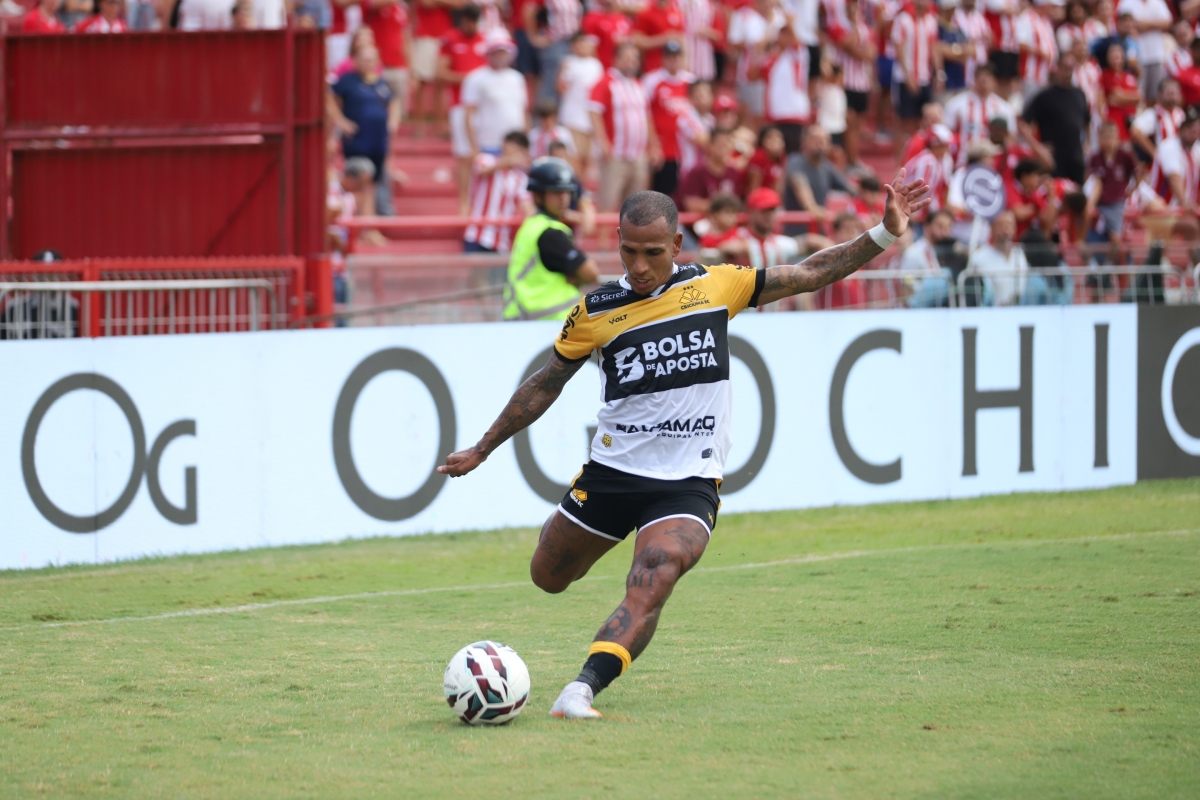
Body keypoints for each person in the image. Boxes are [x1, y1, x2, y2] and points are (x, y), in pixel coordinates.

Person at [436, 175, 931, 720]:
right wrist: (483, 448)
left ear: (676, 245)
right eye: (628, 251)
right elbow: (544, 385)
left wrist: (885, 233)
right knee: (548, 576)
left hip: (688, 482)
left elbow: (812, 272)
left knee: (655, 572)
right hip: (612, 473)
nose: (639, 266)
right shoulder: (595, 311)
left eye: (653, 253)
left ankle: (581, 689)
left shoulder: (718, 285)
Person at [499, 157, 601, 320]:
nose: (564, 198)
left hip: (524, 320)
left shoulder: (531, 225)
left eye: (567, 192)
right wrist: (576, 277)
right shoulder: (550, 233)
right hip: (547, 324)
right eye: (556, 192)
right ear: (538, 196)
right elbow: (591, 273)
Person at [329, 46, 401, 216]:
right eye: (365, 59)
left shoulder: (381, 83)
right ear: (356, 61)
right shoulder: (347, 81)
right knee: (364, 175)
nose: (368, 63)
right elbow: (329, 98)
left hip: (378, 145)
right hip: (357, 145)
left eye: (371, 59)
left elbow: (393, 101)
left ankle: (378, 217)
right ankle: (364, 221)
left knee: (378, 182)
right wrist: (340, 120)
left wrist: (393, 121)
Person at [590, 43, 653, 229]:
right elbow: (594, 112)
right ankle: (603, 243)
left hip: (637, 154)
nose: (631, 62)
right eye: (627, 58)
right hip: (615, 154)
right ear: (616, 59)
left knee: (635, 205)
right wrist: (603, 142)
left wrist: (653, 144)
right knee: (608, 201)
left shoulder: (638, 84)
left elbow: (646, 117)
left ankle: (630, 242)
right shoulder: (606, 82)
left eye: (634, 58)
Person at [439, 5, 487, 214]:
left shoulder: (486, 40)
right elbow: (440, 72)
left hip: (484, 108)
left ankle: (483, 202)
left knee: (484, 154)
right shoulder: (450, 39)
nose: (472, 26)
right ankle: (463, 204)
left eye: (475, 22)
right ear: (462, 20)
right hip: (460, 105)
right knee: (464, 155)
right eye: (469, 21)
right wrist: (469, 79)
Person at [1130, 105, 1200, 240]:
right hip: (1160, 207)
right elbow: (1174, 178)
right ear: (1181, 129)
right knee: (1191, 226)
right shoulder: (1169, 146)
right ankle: (1193, 254)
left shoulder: (1196, 150)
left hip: (1178, 211)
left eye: (1196, 129)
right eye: (1189, 128)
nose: (1193, 132)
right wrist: (1184, 203)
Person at [1023, 53, 1090, 184]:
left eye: (1070, 68)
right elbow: (1024, 124)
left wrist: (1087, 144)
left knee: (1077, 194)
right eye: (1064, 67)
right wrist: (1038, 148)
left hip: (1076, 159)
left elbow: (1087, 122)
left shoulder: (1079, 94)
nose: (1067, 71)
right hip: (1053, 161)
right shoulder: (1045, 96)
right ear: (1058, 68)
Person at [463, 131, 534, 253]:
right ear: (505, 145)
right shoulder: (485, 159)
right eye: (513, 147)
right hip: (476, 235)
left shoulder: (521, 179)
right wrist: (508, 161)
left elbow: (527, 207)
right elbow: (483, 170)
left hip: (501, 241)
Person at [462, 34, 529, 160]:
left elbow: (524, 111)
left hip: (514, 143)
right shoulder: (476, 78)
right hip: (488, 142)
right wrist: (473, 145)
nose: (500, 56)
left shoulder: (517, 78)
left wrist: (525, 142)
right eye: (496, 52)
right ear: (489, 53)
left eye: (503, 52)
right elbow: (469, 114)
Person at [644, 41, 697, 197]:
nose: (674, 60)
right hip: (663, 148)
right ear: (664, 58)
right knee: (661, 194)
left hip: (686, 149)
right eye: (670, 57)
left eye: (677, 56)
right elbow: (646, 114)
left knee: (684, 193)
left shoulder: (691, 81)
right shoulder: (652, 80)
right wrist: (653, 144)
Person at [828, 0, 876, 169]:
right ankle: (849, 159)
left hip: (861, 83)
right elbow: (848, 46)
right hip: (845, 82)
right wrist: (855, 27)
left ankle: (854, 159)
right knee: (848, 122)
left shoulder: (865, 28)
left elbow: (870, 54)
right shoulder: (838, 26)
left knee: (857, 125)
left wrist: (858, 50)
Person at [892, 0, 942, 151]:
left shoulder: (930, 20)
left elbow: (934, 48)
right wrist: (908, 76)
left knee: (924, 120)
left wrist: (939, 73)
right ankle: (900, 159)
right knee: (903, 121)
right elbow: (899, 49)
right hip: (905, 77)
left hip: (925, 76)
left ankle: (918, 153)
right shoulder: (903, 19)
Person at [753, 22, 812, 152]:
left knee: (792, 155)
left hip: (793, 114)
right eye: (781, 34)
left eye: (786, 34)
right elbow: (752, 75)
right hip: (774, 116)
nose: (783, 37)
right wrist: (759, 51)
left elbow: (794, 38)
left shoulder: (798, 54)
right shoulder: (771, 59)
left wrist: (786, 20)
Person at [727, 0, 786, 129]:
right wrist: (752, 44)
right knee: (750, 115)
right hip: (750, 74)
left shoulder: (780, 16)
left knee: (770, 117)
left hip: (776, 76)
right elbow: (733, 44)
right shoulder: (743, 15)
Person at [943, 64, 1015, 167]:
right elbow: (947, 133)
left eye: (987, 80)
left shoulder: (1004, 108)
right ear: (974, 80)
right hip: (963, 161)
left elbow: (1010, 137)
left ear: (994, 81)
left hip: (993, 163)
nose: (984, 84)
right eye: (980, 80)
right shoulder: (956, 105)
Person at [785, 125, 855, 229]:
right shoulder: (795, 161)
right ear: (805, 141)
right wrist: (811, 206)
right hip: (795, 230)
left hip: (818, 228)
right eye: (815, 139)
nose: (821, 143)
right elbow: (799, 184)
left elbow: (851, 189)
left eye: (825, 140)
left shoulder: (827, 167)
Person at [557, 32, 605, 179]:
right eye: (578, 43)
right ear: (573, 46)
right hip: (573, 118)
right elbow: (561, 89)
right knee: (575, 157)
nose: (582, 47)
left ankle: (584, 186)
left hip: (591, 120)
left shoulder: (596, 65)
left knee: (589, 158)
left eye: (584, 43)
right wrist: (562, 73)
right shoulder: (569, 63)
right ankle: (578, 185)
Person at [411, 0, 460, 138]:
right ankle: (419, 126)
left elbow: (460, 3)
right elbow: (426, 3)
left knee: (441, 83)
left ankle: (440, 126)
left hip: (445, 36)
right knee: (421, 83)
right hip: (425, 37)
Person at [1085, 120, 1137, 249]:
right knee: (1093, 231)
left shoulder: (1125, 156)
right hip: (1100, 201)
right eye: (1104, 137)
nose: (1108, 141)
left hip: (1117, 201)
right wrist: (1091, 204)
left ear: (1117, 137)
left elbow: (1137, 173)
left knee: (1115, 236)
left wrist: (1130, 190)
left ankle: (1120, 259)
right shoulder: (1095, 158)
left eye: (1111, 136)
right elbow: (1096, 182)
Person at [361, 0, 412, 119]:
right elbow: (373, 5)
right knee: (376, 108)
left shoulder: (401, 8)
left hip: (398, 65)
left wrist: (410, 68)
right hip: (376, 66)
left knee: (398, 111)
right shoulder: (372, 3)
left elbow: (406, 39)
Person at [966, 209, 1028, 305]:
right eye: (1001, 225)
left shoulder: (1020, 254)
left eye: (1009, 224)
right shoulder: (979, 256)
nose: (1005, 229)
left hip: (1020, 309)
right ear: (991, 228)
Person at [1116, 0, 1172, 102]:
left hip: (1156, 55)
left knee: (1155, 95)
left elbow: (1167, 22)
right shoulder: (1126, 3)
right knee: (1139, 93)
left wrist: (1145, 24)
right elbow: (1123, 24)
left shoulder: (1158, 2)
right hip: (1136, 57)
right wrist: (1155, 24)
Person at [901, 208, 957, 306]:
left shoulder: (947, 253)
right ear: (927, 227)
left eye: (948, 227)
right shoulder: (914, 252)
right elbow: (905, 288)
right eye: (940, 226)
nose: (945, 232)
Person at [678, 128, 742, 212]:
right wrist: (722, 207)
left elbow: (737, 202)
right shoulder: (697, 172)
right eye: (721, 144)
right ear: (710, 145)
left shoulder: (733, 172)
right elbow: (690, 204)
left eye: (728, 144)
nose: (724, 148)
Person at [1129, 77, 1183, 161]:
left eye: (1174, 93)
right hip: (1163, 158)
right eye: (1169, 93)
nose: (1172, 97)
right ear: (1160, 94)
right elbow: (1135, 131)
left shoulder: (1180, 114)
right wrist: (1154, 152)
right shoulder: (1153, 113)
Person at [1017, 0, 1059, 102]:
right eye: (1052, 6)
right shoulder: (1027, 17)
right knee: (1031, 103)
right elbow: (1020, 44)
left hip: (1046, 74)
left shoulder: (1046, 20)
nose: (1055, 9)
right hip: (1031, 73)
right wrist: (1041, 53)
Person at [1100, 41, 1141, 141]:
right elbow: (1117, 95)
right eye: (1113, 56)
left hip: (1130, 121)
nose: (1116, 59)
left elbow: (1139, 97)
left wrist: (1121, 98)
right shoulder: (1106, 75)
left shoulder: (1129, 75)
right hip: (1114, 121)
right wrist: (1131, 98)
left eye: (1118, 56)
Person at [632, 0, 686, 75]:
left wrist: (684, 64)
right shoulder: (646, 13)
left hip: (674, 70)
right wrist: (665, 38)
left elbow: (681, 40)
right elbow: (637, 41)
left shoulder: (676, 13)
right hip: (654, 67)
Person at [581, 0, 633, 70]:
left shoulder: (625, 19)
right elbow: (590, 46)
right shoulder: (593, 18)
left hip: (620, 66)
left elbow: (630, 43)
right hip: (601, 63)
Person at [679, 0, 720, 81]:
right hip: (684, 50)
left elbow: (718, 35)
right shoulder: (678, 3)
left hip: (703, 56)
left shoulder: (709, 5)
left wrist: (706, 31)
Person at [745, 126, 787, 195]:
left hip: (771, 196)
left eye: (779, 138)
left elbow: (778, 188)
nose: (776, 142)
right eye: (771, 138)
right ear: (763, 141)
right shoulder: (758, 156)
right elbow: (754, 189)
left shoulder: (782, 158)